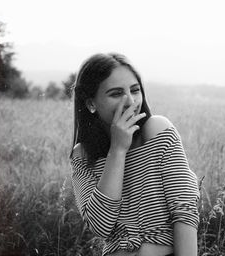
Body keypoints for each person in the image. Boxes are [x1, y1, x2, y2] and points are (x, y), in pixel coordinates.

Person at [70, 53, 199, 256]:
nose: (130, 101)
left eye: (135, 90)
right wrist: (117, 150)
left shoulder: (157, 130)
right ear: (91, 104)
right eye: (115, 93)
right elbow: (99, 226)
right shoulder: (82, 156)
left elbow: (184, 211)